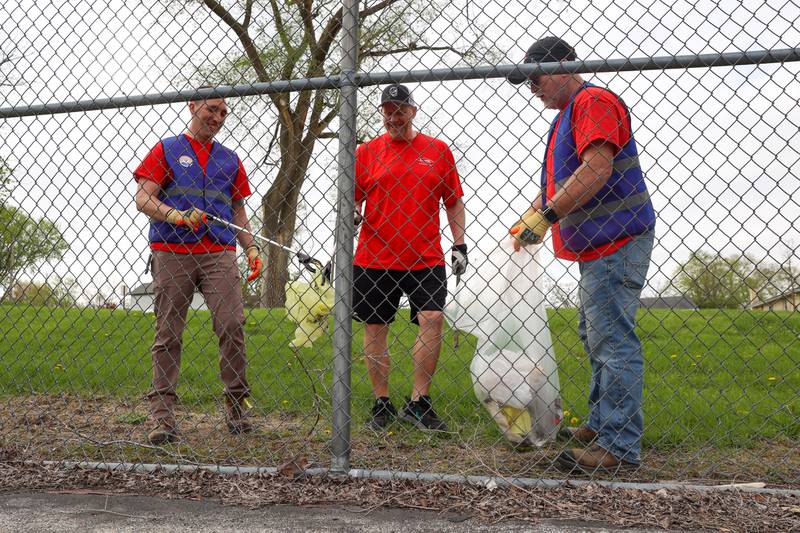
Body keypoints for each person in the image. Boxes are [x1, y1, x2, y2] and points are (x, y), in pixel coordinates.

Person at [507, 37, 656, 473]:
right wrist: (531, 215)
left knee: (612, 340)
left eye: (536, 76)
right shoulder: (565, 117)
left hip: (619, 236)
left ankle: (618, 447)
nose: (531, 86)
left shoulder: (592, 101)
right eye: (527, 80)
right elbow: (559, 181)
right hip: (600, 240)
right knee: (595, 334)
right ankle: (600, 424)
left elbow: (597, 168)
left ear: (567, 65)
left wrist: (548, 215)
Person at [134, 92, 264, 445]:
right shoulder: (167, 149)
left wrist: (251, 246)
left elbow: (238, 211)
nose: (218, 117)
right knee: (168, 332)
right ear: (192, 106)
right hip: (172, 250)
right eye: (212, 109)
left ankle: (237, 408)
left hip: (219, 251)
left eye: (224, 112)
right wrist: (174, 215)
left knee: (232, 324)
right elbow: (143, 197)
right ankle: (163, 416)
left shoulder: (230, 160)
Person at [353, 84, 467, 432]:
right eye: (387, 110)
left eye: (400, 110)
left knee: (432, 318)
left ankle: (419, 402)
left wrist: (459, 245)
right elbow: (352, 200)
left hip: (425, 256)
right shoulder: (366, 152)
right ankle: (381, 401)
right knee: (376, 327)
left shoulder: (437, 151)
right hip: (374, 256)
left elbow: (453, 201)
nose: (393, 117)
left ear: (413, 112)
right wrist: (353, 218)